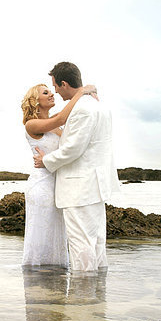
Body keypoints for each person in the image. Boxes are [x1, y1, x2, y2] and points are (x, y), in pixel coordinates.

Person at [34, 62, 120, 272]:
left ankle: (82, 297)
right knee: (97, 241)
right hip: (96, 185)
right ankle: (97, 295)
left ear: (64, 84)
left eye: (55, 86)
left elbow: (73, 149)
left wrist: (46, 161)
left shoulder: (81, 109)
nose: (54, 91)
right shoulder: (99, 105)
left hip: (79, 188)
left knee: (80, 242)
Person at [22, 82, 96, 266]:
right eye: (45, 92)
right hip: (41, 186)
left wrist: (89, 93)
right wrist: (81, 91)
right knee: (41, 233)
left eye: (51, 90)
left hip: (58, 186)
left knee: (56, 234)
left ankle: (55, 282)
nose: (52, 94)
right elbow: (63, 117)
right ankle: (35, 281)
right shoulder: (32, 125)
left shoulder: (53, 121)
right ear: (35, 101)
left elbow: (67, 118)